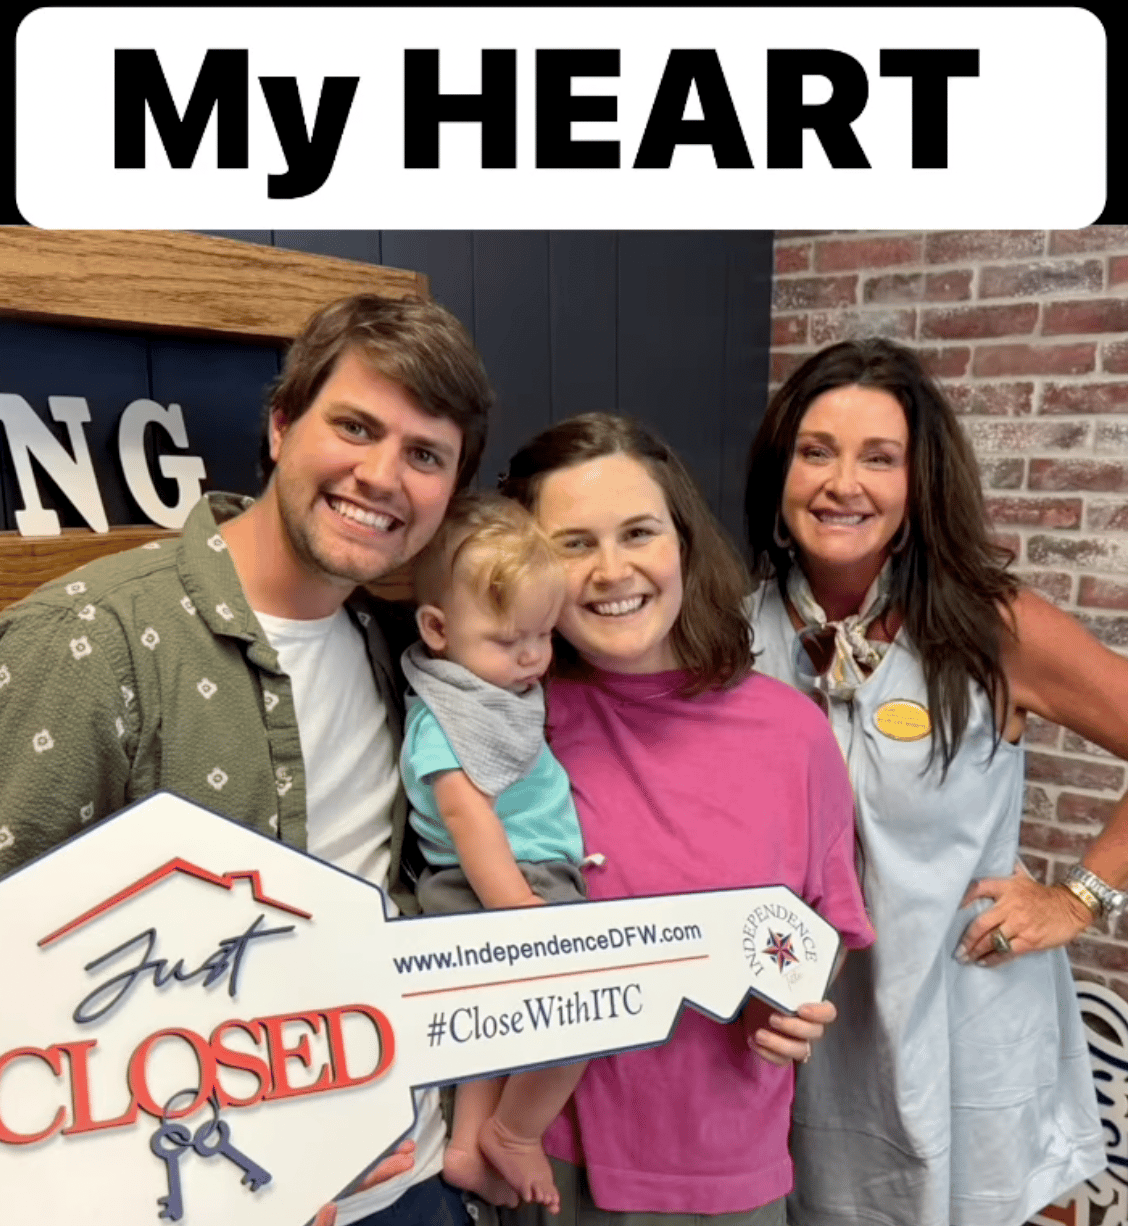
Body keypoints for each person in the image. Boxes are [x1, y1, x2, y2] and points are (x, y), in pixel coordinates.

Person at [0, 292, 494, 1226]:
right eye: (355, 427)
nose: (382, 476)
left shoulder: (400, 649)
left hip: (414, 1181)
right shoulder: (94, 639)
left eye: (425, 455)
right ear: (280, 425)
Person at [743, 337, 1111, 1226]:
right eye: (817, 451)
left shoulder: (992, 629)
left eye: (880, 458)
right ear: (781, 469)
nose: (843, 483)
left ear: (918, 484)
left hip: (964, 1031)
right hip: (804, 1037)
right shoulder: (731, 631)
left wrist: (1082, 897)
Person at [494, 413, 874, 1226]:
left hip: (728, 1167)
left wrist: (795, 1001)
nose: (612, 571)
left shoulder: (790, 732)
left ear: (684, 542)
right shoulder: (509, 723)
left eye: (638, 532)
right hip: (546, 1167)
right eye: (572, 545)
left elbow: (829, 922)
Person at [402, 491, 589, 1213]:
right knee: (586, 1007)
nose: (533, 657)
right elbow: (466, 814)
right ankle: (517, 1129)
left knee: (488, 1026)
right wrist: (518, 907)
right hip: (501, 884)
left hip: (492, 885)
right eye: (510, 641)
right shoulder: (444, 718)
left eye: (543, 635)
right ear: (437, 629)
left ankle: (466, 1146)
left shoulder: (484, 691)